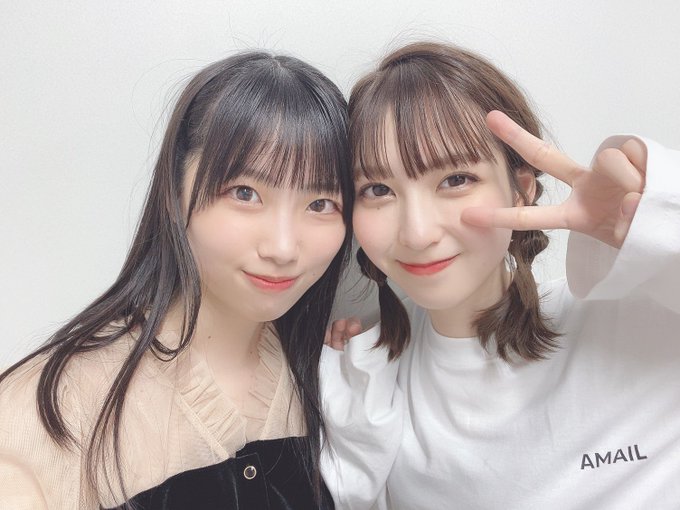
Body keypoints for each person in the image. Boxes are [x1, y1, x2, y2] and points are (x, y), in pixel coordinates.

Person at [320, 42, 680, 509]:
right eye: (377, 190)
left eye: (455, 180)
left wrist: (659, 223)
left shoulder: (641, 318)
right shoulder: (366, 382)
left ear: (521, 190)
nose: (417, 233)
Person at [0, 50, 353, 509]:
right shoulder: (53, 407)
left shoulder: (324, 377)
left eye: (320, 203)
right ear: (174, 190)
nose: (283, 248)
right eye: (245, 193)